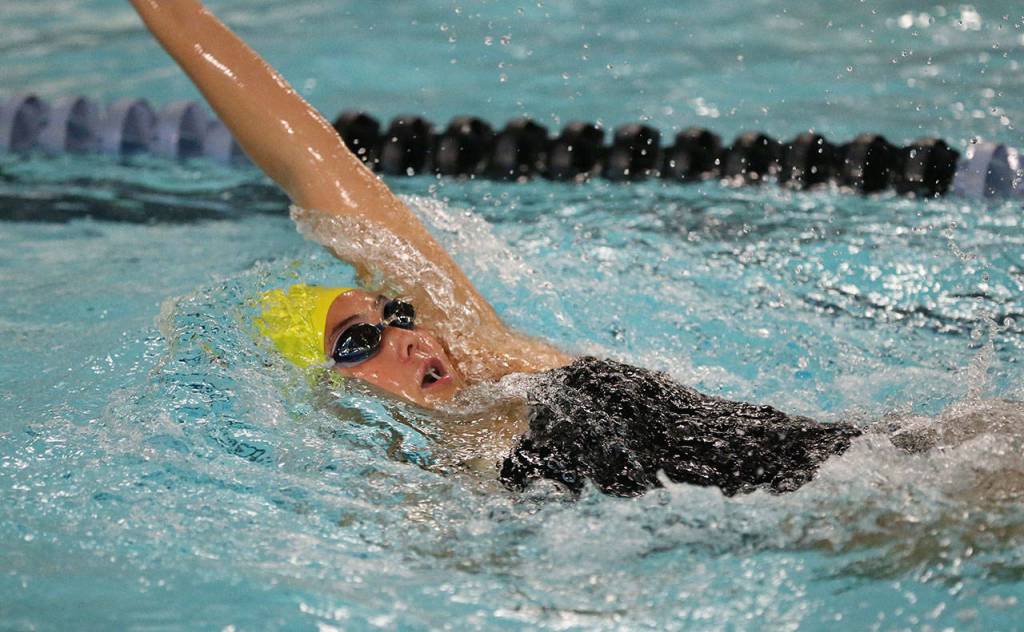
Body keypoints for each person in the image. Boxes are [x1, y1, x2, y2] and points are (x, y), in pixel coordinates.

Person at [129, 0, 865, 498]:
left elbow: (316, 166)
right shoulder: (429, 504)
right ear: (320, 394)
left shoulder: (490, 357)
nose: (411, 340)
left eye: (394, 315)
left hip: (879, 460)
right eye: (358, 344)